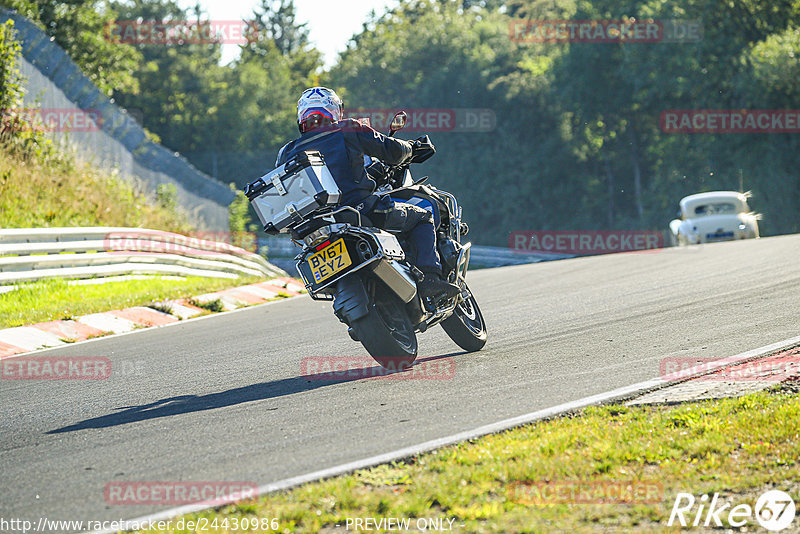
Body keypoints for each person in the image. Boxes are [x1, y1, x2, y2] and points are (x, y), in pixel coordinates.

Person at [276, 86, 460, 301]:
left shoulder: (287, 152)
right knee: (422, 217)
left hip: (316, 228)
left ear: (301, 115)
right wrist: (412, 147)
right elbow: (392, 151)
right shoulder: (348, 129)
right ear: (335, 110)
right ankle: (430, 279)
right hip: (359, 210)